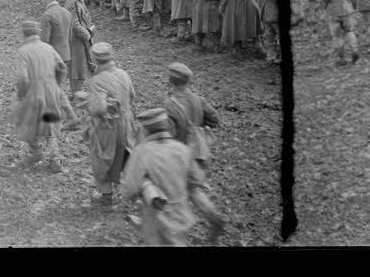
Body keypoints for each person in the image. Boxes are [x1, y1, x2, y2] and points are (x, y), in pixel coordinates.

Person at [120, 108, 225, 246]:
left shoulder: (142, 152)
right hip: (180, 216)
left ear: (145, 130)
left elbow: (128, 190)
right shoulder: (182, 149)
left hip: (155, 219)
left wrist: (144, 185)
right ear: (166, 126)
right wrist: (209, 211)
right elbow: (195, 184)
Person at [78, 42, 139, 207]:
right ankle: (139, 191)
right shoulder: (124, 74)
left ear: (95, 59)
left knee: (102, 158)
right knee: (127, 155)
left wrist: (87, 101)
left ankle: (106, 195)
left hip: (108, 127)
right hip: (127, 122)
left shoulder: (97, 81)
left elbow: (98, 109)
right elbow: (132, 96)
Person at [12, 20, 74, 173]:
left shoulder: (23, 52)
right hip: (51, 91)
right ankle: (55, 160)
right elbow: (62, 67)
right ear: (38, 33)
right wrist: (56, 84)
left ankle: (36, 151)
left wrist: (21, 94)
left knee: (28, 122)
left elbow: (22, 78)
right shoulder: (48, 48)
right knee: (50, 124)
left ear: (24, 33)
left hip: (32, 93)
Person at [161, 63, 220, 169]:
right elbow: (215, 119)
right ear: (188, 81)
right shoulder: (198, 99)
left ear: (170, 80)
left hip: (178, 157)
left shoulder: (169, 105)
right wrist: (200, 127)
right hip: (197, 153)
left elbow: (168, 134)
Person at [318, 0, 360, 66]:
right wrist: (354, 7)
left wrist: (324, 7)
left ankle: (341, 58)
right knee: (349, 31)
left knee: (337, 36)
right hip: (347, 10)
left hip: (332, 11)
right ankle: (354, 51)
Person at [63, 0, 97, 94]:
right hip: (77, 41)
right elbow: (75, 25)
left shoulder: (78, 0)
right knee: (77, 69)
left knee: (82, 67)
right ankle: (76, 94)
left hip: (81, 40)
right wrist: (88, 35)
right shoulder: (72, 4)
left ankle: (77, 93)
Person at [39, 0, 74, 89]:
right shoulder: (67, 12)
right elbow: (70, 36)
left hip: (52, 58)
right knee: (58, 87)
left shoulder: (47, 15)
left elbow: (44, 41)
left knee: (49, 88)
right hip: (66, 56)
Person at [259, 0, 282, 65]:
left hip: (266, 13)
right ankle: (278, 57)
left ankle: (270, 56)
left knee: (269, 36)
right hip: (273, 13)